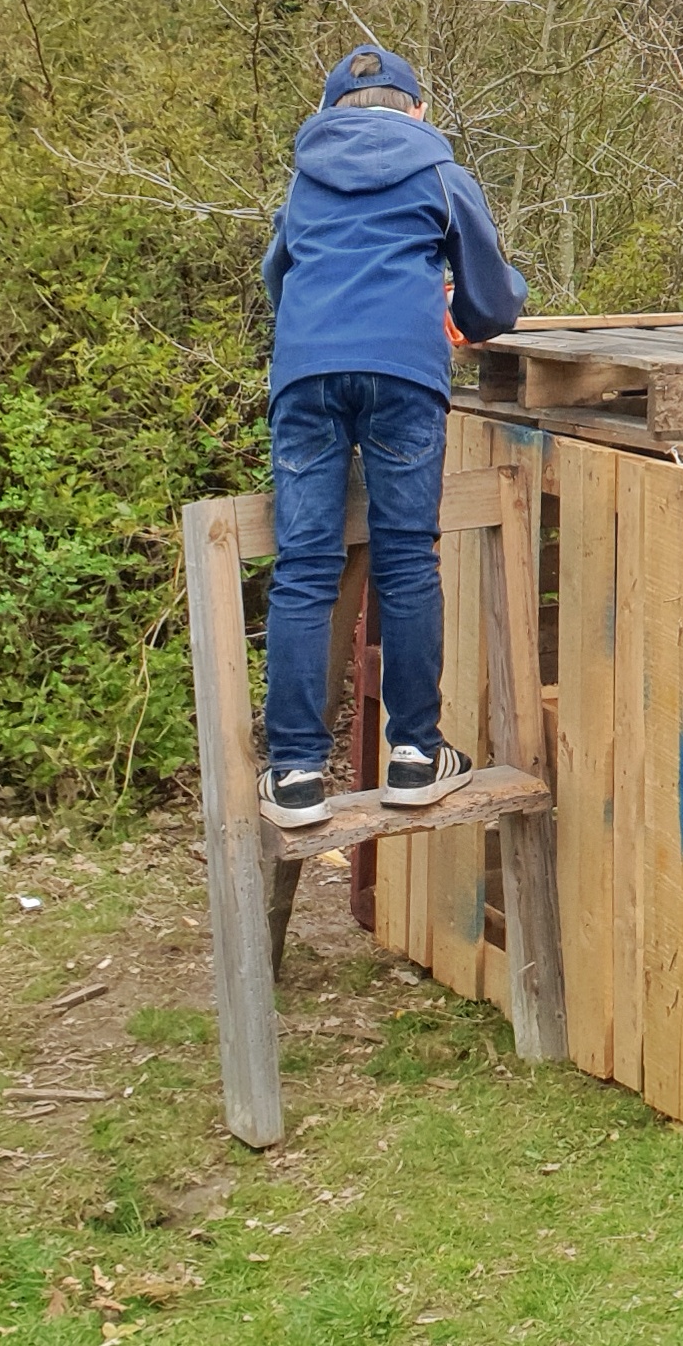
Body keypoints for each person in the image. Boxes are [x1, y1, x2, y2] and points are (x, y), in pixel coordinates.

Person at [255, 45, 529, 831]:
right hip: (404, 377)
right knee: (407, 557)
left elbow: (279, 278)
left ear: (332, 110)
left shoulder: (305, 178)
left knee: (305, 566)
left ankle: (297, 773)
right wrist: (484, 308)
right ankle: (414, 754)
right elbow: (488, 302)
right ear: (417, 108)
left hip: (305, 375)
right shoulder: (439, 172)